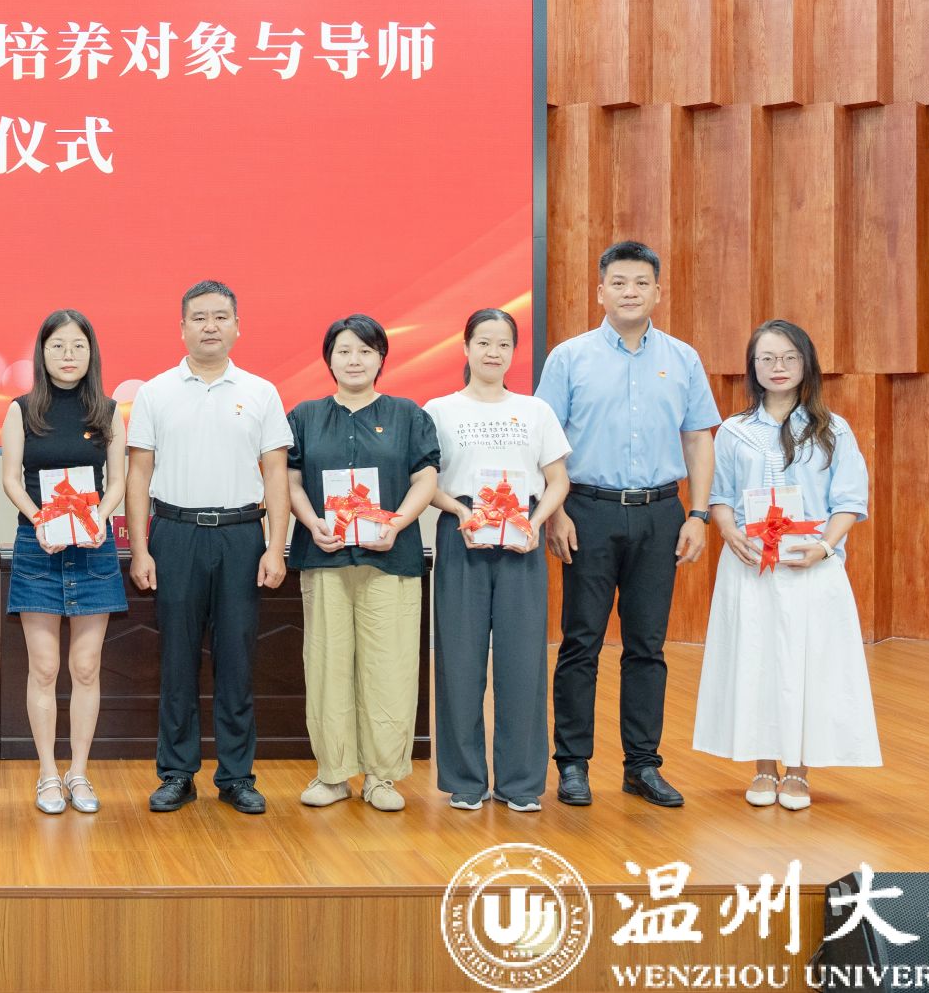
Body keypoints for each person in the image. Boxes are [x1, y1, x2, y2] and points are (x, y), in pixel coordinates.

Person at [536, 239, 718, 809]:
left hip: (662, 513)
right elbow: (545, 443)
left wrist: (698, 514)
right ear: (600, 291)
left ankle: (642, 765)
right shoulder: (569, 358)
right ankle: (572, 764)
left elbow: (698, 440)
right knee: (581, 642)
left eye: (641, 283)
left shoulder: (683, 358)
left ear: (658, 291)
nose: (630, 292)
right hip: (587, 511)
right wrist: (556, 511)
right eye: (618, 283)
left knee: (648, 645)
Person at [694, 319, 880, 809]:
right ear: (753, 367)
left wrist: (825, 547)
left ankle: (798, 771)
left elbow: (849, 500)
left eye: (789, 358)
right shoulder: (733, 431)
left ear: (806, 365)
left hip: (809, 564)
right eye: (767, 358)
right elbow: (719, 495)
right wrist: (729, 531)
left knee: (807, 664)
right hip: (751, 563)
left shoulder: (833, 429)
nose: (778, 367)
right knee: (755, 659)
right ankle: (763, 767)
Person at [127, 280, 291, 815]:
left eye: (221, 316)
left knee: (237, 660)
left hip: (242, 535)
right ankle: (177, 773)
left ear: (237, 326)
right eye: (199, 317)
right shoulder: (155, 392)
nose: (210, 326)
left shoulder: (262, 392)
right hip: (175, 535)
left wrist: (276, 547)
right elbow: (138, 475)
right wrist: (140, 549)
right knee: (176, 660)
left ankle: (237, 775)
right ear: (182, 328)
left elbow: (276, 474)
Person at [284, 314, 440, 813]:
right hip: (324, 555)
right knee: (327, 665)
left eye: (365, 351)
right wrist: (312, 522)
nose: (354, 360)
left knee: (389, 666)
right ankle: (332, 774)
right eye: (344, 351)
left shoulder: (408, 414)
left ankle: (381, 776)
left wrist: (396, 523)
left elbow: (426, 477)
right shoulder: (304, 416)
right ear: (329, 359)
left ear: (381, 358)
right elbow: (289, 481)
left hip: (390, 558)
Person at [424, 309, 570, 813]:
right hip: (462, 534)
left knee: (523, 662)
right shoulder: (439, 410)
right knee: (459, 660)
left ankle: (520, 782)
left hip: (521, 539)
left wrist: (536, 522)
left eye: (503, 344)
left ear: (513, 352)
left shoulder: (535, 411)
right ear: (465, 348)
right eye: (483, 342)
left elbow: (557, 480)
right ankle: (465, 780)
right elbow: (426, 482)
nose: (492, 352)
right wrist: (459, 510)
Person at [0, 309, 128, 815]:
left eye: (78, 346)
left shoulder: (109, 411)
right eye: (57, 346)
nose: (68, 355)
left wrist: (99, 518)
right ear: (42, 352)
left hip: (93, 547)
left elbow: (116, 482)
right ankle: (48, 774)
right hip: (38, 547)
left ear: (91, 352)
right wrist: (40, 520)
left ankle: (79, 772)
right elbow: (11, 479)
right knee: (46, 666)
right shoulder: (21, 410)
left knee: (87, 667)